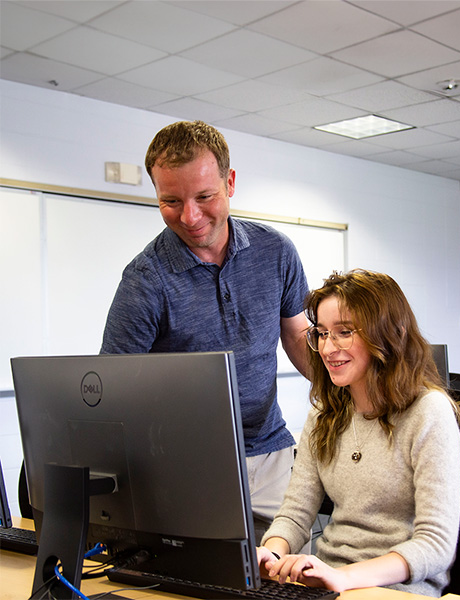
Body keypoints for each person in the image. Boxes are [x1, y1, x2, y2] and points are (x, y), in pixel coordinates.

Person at [100, 120, 310, 543]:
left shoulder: (276, 251)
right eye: (171, 201)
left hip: (270, 454)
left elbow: (297, 335)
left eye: (205, 196)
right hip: (187, 466)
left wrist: (351, 392)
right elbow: (112, 392)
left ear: (229, 183)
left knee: (285, 581)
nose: (190, 216)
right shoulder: (145, 280)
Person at [257, 269, 460, 596]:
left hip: (398, 587)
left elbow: (435, 545)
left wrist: (345, 578)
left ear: (386, 334)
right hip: (329, 582)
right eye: (322, 333)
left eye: (343, 332)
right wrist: (271, 552)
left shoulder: (429, 412)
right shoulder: (325, 414)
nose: (327, 348)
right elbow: (296, 513)